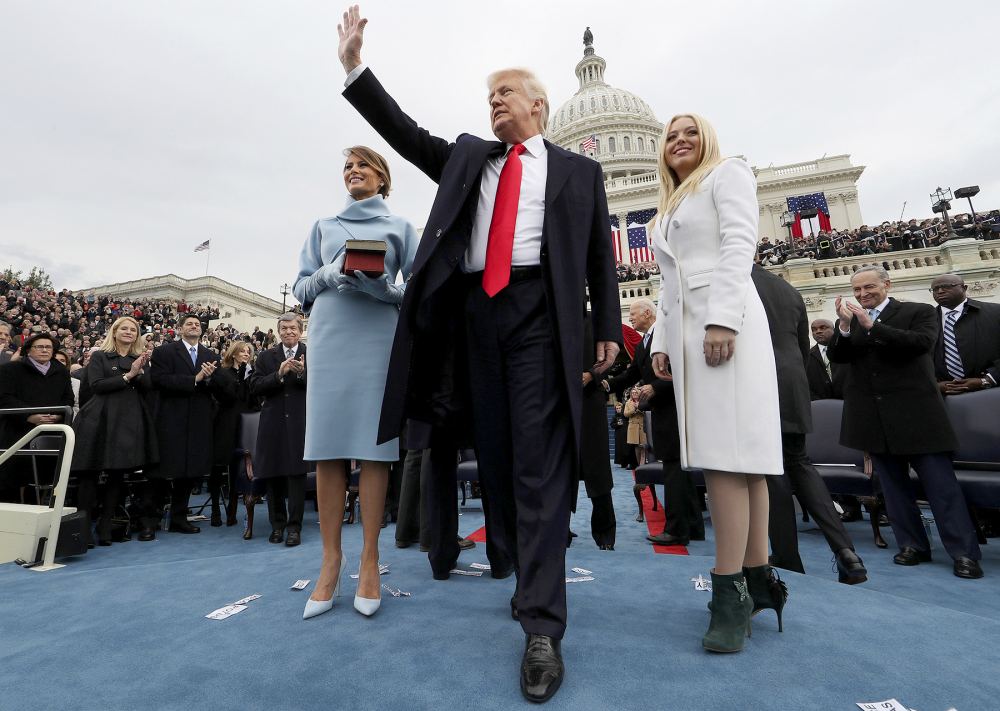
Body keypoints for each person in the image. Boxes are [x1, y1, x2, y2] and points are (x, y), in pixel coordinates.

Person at [336, 7, 621, 702]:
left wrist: (606, 325)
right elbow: (403, 135)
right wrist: (354, 70)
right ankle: (526, 577)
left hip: (540, 320)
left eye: (505, 93)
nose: (493, 103)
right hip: (471, 323)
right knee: (496, 464)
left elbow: (597, 259)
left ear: (538, 106)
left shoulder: (579, 174)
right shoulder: (469, 157)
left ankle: (543, 627)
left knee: (539, 466)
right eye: (487, 95)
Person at [648, 114, 783, 653]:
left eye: (690, 132)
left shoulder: (727, 173)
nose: (680, 141)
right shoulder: (671, 203)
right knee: (740, 458)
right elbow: (667, 281)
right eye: (671, 135)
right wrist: (660, 341)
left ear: (708, 139)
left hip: (724, 322)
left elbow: (738, 245)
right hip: (687, 329)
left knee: (728, 455)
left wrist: (723, 317)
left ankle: (728, 592)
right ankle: (759, 577)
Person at [293, 143, 417, 619]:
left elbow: (418, 293)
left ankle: (370, 559)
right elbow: (301, 288)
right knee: (326, 448)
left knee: (373, 449)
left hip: (377, 340)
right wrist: (327, 273)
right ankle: (329, 561)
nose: (353, 171)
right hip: (328, 337)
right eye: (347, 166)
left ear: (382, 176)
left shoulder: (402, 228)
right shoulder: (322, 227)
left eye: (363, 164)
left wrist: (383, 289)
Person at [829, 266, 983, 579]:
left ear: (887, 284)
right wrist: (845, 328)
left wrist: (871, 326)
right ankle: (912, 545)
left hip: (918, 416)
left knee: (942, 488)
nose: (862, 295)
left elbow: (920, 344)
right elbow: (839, 358)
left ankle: (963, 553)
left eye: (869, 287)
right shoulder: (850, 321)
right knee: (894, 490)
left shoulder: (919, 311)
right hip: (874, 418)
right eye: (857, 290)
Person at [750, 265, 867, 585]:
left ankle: (788, 558)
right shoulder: (787, 289)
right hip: (792, 385)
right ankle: (846, 551)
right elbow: (802, 349)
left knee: (770, 474)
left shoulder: (729, 277)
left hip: (754, 383)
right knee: (801, 464)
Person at [606, 298, 703, 546]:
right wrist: (606, 384)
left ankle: (676, 530)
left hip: (675, 411)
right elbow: (632, 374)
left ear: (648, 313)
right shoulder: (643, 344)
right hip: (662, 412)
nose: (630, 319)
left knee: (674, 471)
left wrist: (654, 386)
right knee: (678, 471)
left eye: (633, 314)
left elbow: (683, 369)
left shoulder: (667, 335)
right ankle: (693, 527)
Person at [71, 316, 157, 546]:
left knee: (118, 474)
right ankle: (83, 526)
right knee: (89, 474)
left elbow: (148, 388)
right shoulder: (99, 356)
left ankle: (106, 524)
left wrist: (139, 372)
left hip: (128, 421)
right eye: (125, 329)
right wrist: (128, 375)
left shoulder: (139, 359)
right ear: (115, 331)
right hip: (99, 419)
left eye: (134, 329)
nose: (129, 332)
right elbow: (96, 385)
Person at [142, 314, 221, 540]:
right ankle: (150, 521)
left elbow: (219, 385)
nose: (194, 326)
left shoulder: (210, 355)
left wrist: (209, 379)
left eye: (197, 324)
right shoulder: (164, 352)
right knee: (158, 474)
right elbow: (159, 380)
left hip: (197, 422)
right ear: (179, 328)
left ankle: (179, 518)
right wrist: (194, 379)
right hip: (169, 420)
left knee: (188, 473)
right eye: (189, 323)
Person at [249, 314, 309, 546]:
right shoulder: (266, 356)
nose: (288, 332)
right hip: (272, 424)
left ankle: (295, 528)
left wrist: (303, 373)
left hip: (300, 423)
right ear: (279, 331)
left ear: (300, 330)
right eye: (284, 328)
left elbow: (322, 386)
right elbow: (255, 386)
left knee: (296, 476)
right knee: (273, 476)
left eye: (293, 328)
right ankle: (277, 526)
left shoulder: (312, 354)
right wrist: (279, 374)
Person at [0, 333, 75, 504]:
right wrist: (30, 416)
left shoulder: (61, 372)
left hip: (50, 432)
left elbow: (68, 399)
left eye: (48, 347)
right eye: (39, 347)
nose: (44, 350)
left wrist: (58, 415)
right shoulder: (10, 369)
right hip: (17, 432)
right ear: (29, 350)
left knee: (42, 481)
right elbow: (5, 398)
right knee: (12, 481)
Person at [930, 274, 1000, 395]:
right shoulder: (925, 321)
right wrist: (933, 384)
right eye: (935, 289)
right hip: (944, 397)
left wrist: (988, 379)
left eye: (946, 286)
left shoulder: (995, 312)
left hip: (993, 391)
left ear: (964, 288)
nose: (940, 291)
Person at [212, 340, 256, 528]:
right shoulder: (222, 373)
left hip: (245, 425)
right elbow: (227, 397)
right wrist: (240, 375)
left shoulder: (250, 375)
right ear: (234, 353)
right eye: (242, 351)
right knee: (219, 467)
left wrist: (247, 377)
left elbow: (253, 401)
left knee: (238, 469)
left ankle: (232, 510)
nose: (246, 354)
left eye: (248, 351)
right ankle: (215, 509)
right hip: (226, 424)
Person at [806, 319, 847, 401]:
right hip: (821, 406)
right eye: (814, 329)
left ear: (834, 330)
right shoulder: (807, 356)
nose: (818, 331)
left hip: (849, 404)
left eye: (823, 328)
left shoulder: (845, 351)